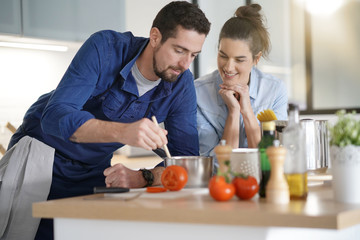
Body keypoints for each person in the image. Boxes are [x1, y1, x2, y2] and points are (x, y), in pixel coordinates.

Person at [6, 1, 210, 239]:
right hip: (41, 159)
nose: (186, 64)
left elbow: (185, 161)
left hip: (94, 171)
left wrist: (143, 177)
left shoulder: (181, 83)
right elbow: (54, 117)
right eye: (179, 50)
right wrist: (123, 132)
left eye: (193, 55)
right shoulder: (105, 47)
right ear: (155, 37)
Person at [195, 4, 287, 168]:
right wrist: (233, 111)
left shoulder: (275, 91)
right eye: (223, 56)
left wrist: (247, 111)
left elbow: (270, 164)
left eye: (239, 60)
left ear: (256, 59)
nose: (228, 67)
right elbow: (218, 167)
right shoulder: (198, 93)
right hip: (219, 189)